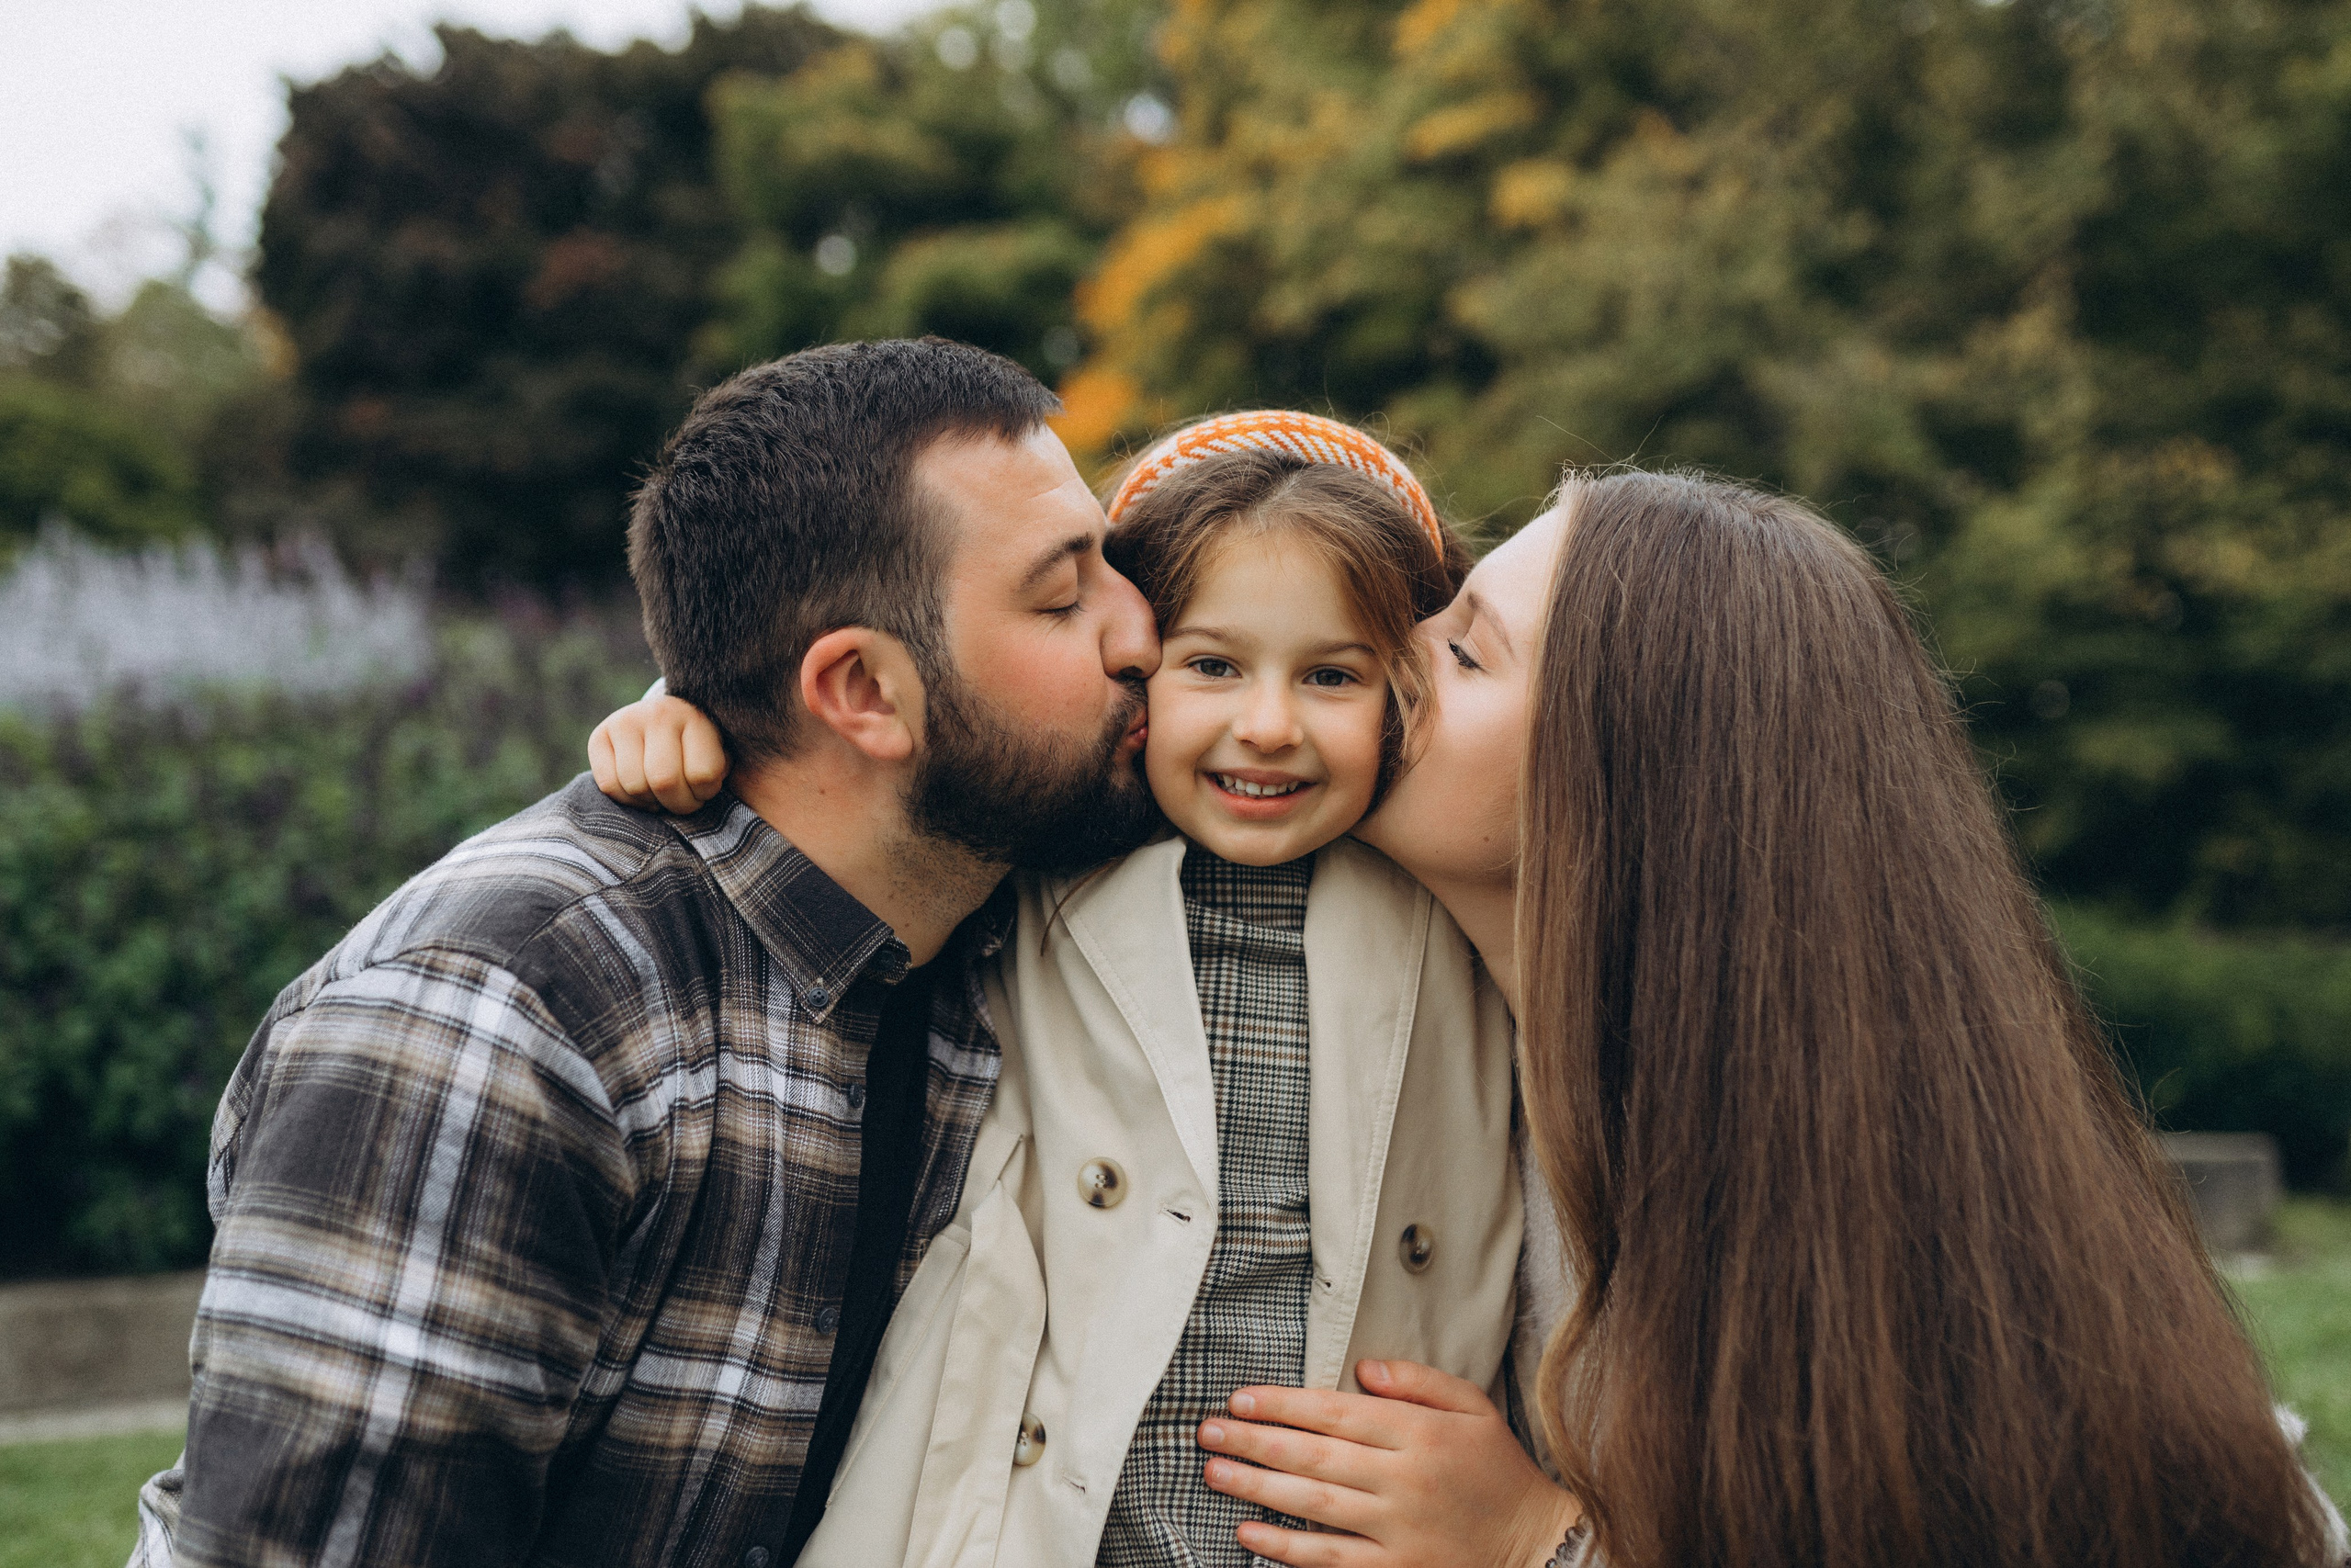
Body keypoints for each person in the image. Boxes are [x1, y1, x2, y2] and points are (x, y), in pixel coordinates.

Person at [1188, 470, 2350, 1568]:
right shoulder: (1477, 1062)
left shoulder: (1878, 1193)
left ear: (1623, 781)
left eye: (1465, 650)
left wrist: (1540, 1542)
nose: (1390, 647)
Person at [130, 338, 1163, 1568]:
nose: (1144, 632)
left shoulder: (1002, 921)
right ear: (861, 693)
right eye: (1061, 597)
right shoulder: (500, 1013)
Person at [589, 411, 1530, 1567]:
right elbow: (904, 749)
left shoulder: (1447, 881)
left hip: (1345, 1522)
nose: (1267, 727)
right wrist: (686, 713)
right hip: (1040, 1523)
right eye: (1211, 665)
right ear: (1133, 667)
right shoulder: (1052, 850)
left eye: (1332, 674)